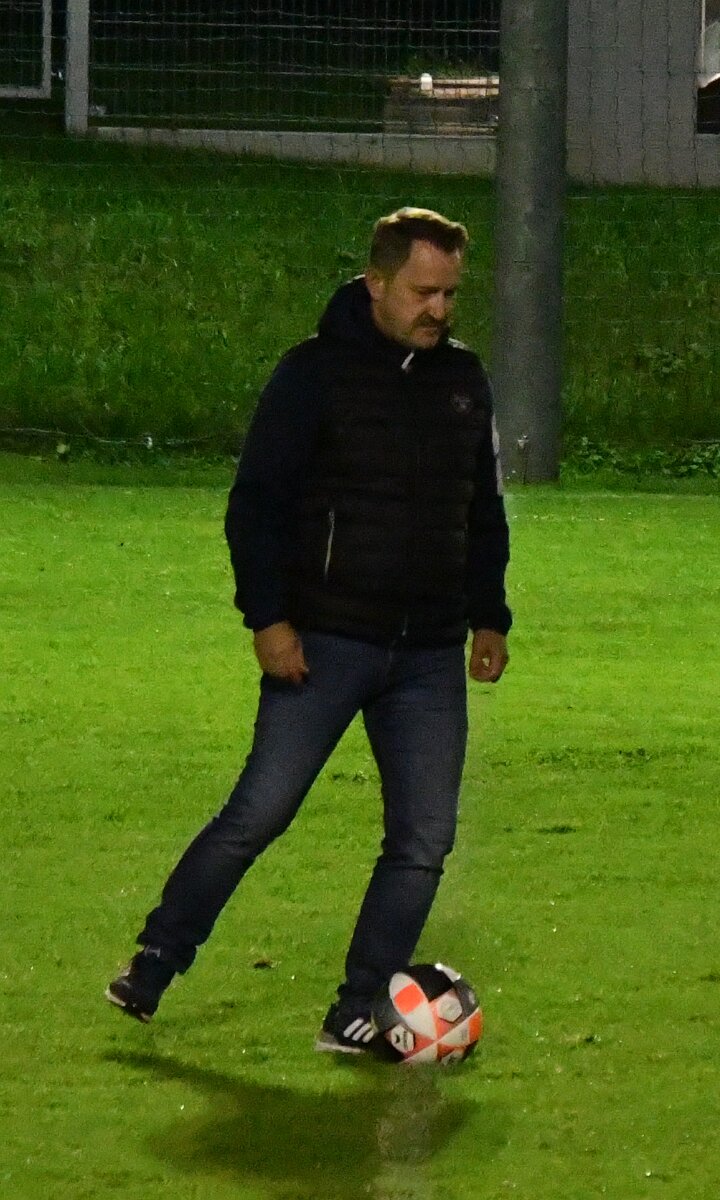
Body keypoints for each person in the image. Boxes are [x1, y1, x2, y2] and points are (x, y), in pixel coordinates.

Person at [106, 208, 512, 1053]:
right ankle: (156, 960)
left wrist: (489, 615)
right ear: (377, 283)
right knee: (259, 813)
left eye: (449, 294)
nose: (439, 310)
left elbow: (482, 510)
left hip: (429, 654)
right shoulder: (312, 375)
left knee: (423, 840)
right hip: (326, 641)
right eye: (423, 292)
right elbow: (254, 507)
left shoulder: (463, 381)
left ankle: (359, 1008)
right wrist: (269, 620)